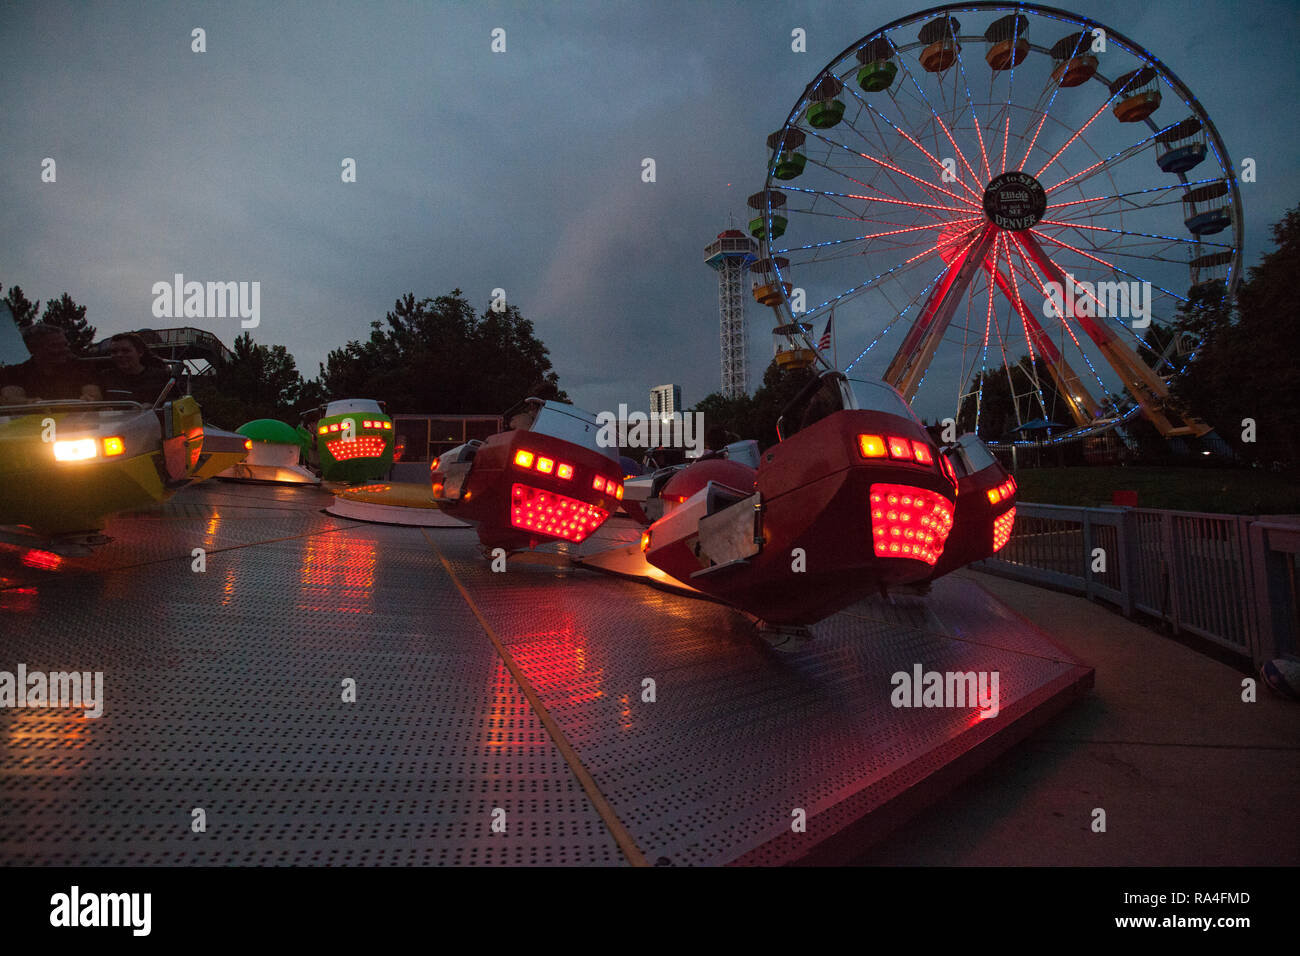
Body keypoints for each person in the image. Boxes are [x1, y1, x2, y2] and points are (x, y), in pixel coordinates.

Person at [0, 323, 102, 403]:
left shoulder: (82, 369)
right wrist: (28, 403)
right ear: (33, 348)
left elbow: (93, 395)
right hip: (30, 427)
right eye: (55, 346)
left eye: (65, 345)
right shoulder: (13, 373)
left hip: (77, 425)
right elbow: (10, 399)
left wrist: (89, 398)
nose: (65, 350)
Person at [99, 332, 174, 403]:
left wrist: (152, 406)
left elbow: (172, 402)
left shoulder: (161, 377)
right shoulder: (104, 377)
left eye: (125, 351)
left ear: (140, 352)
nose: (119, 355)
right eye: (114, 352)